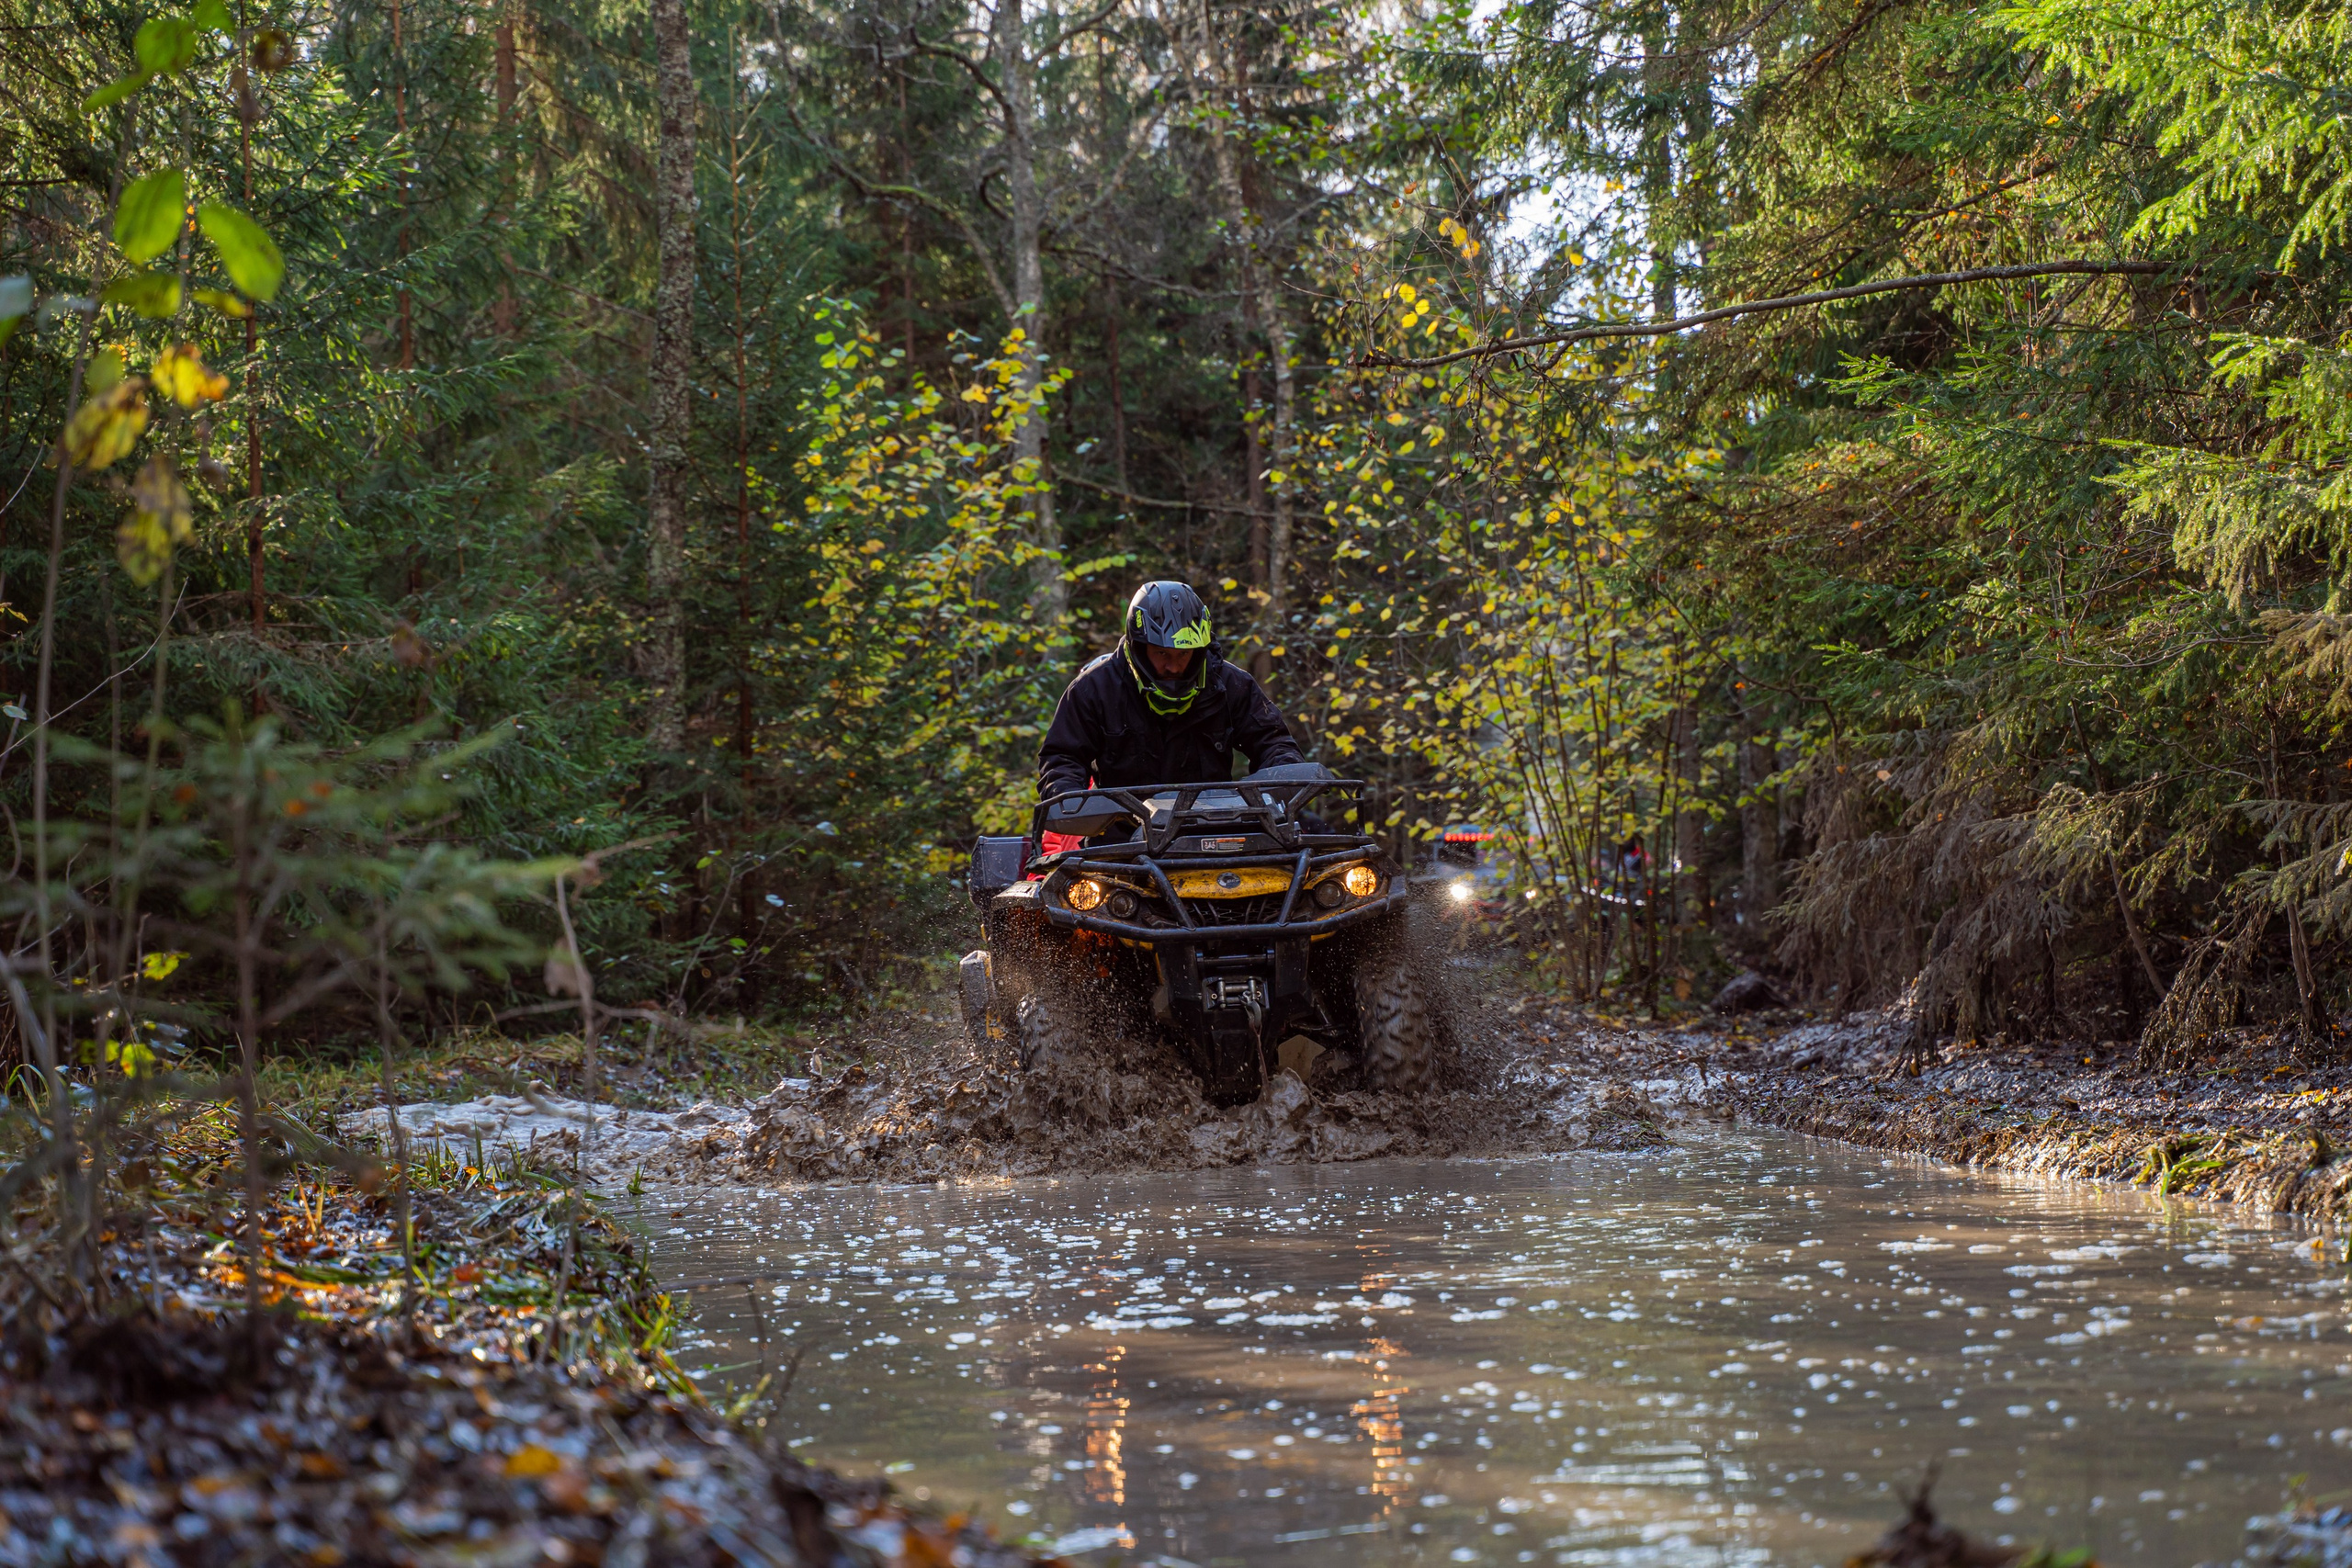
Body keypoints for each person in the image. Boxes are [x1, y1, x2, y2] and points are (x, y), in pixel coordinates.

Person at [1037, 580, 1305, 798]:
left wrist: (1279, 781)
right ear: (1139, 646)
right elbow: (1062, 758)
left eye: (1183, 654)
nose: (1174, 666)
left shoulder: (1231, 684)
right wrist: (1071, 800)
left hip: (1213, 832)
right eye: (1162, 654)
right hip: (1120, 840)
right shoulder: (1094, 689)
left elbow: (1275, 744)